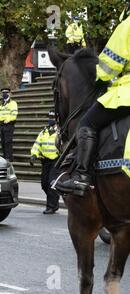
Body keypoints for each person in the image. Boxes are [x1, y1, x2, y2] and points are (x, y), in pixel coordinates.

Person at [55, 8, 130, 196]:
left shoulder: (127, 26)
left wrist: (102, 78)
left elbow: (107, 67)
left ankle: (82, 177)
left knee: (87, 123)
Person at [30, 111, 60, 214]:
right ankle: (55, 201)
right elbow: (37, 144)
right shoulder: (44, 131)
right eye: (49, 117)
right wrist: (34, 154)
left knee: (51, 183)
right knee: (44, 184)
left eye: (52, 117)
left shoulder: (61, 132)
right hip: (45, 161)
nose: (50, 119)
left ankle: (51, 206)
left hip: (56, 160)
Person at [0, 88, 18, 161]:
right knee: (3, 142)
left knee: (8, 142)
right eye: (3, 93)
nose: (4, 94)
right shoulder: (2, 103)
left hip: (9, 124)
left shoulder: (13, 103)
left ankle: (9, 157)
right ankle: (5, 156)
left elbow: (14, 114)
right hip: (2, 125)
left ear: (9, 94)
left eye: (6, 93)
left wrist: (7, 120)